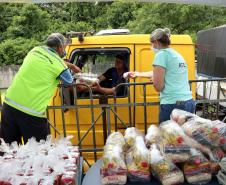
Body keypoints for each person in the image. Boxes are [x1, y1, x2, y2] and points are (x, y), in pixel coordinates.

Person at [0, 33, 81, 144]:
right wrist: (90, 84)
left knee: (9, 151)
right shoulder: (60, 67)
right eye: (65, 47)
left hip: (9, 106)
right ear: (60, 47)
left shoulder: (35, 51)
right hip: (31, 113)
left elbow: (48, 60)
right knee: (39, 153)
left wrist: (71, 65)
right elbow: (72, 86)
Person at [128, 28, 195, 123]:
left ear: (156, 42)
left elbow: (158, 87)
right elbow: (163, 72)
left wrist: (155, 80)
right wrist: (138, 74)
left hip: (172, 104)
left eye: (151, 43)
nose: (151, 46)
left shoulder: (161, 55)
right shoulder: (176, 54)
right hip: (188, 102)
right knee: (185, 136)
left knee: (168, 136)